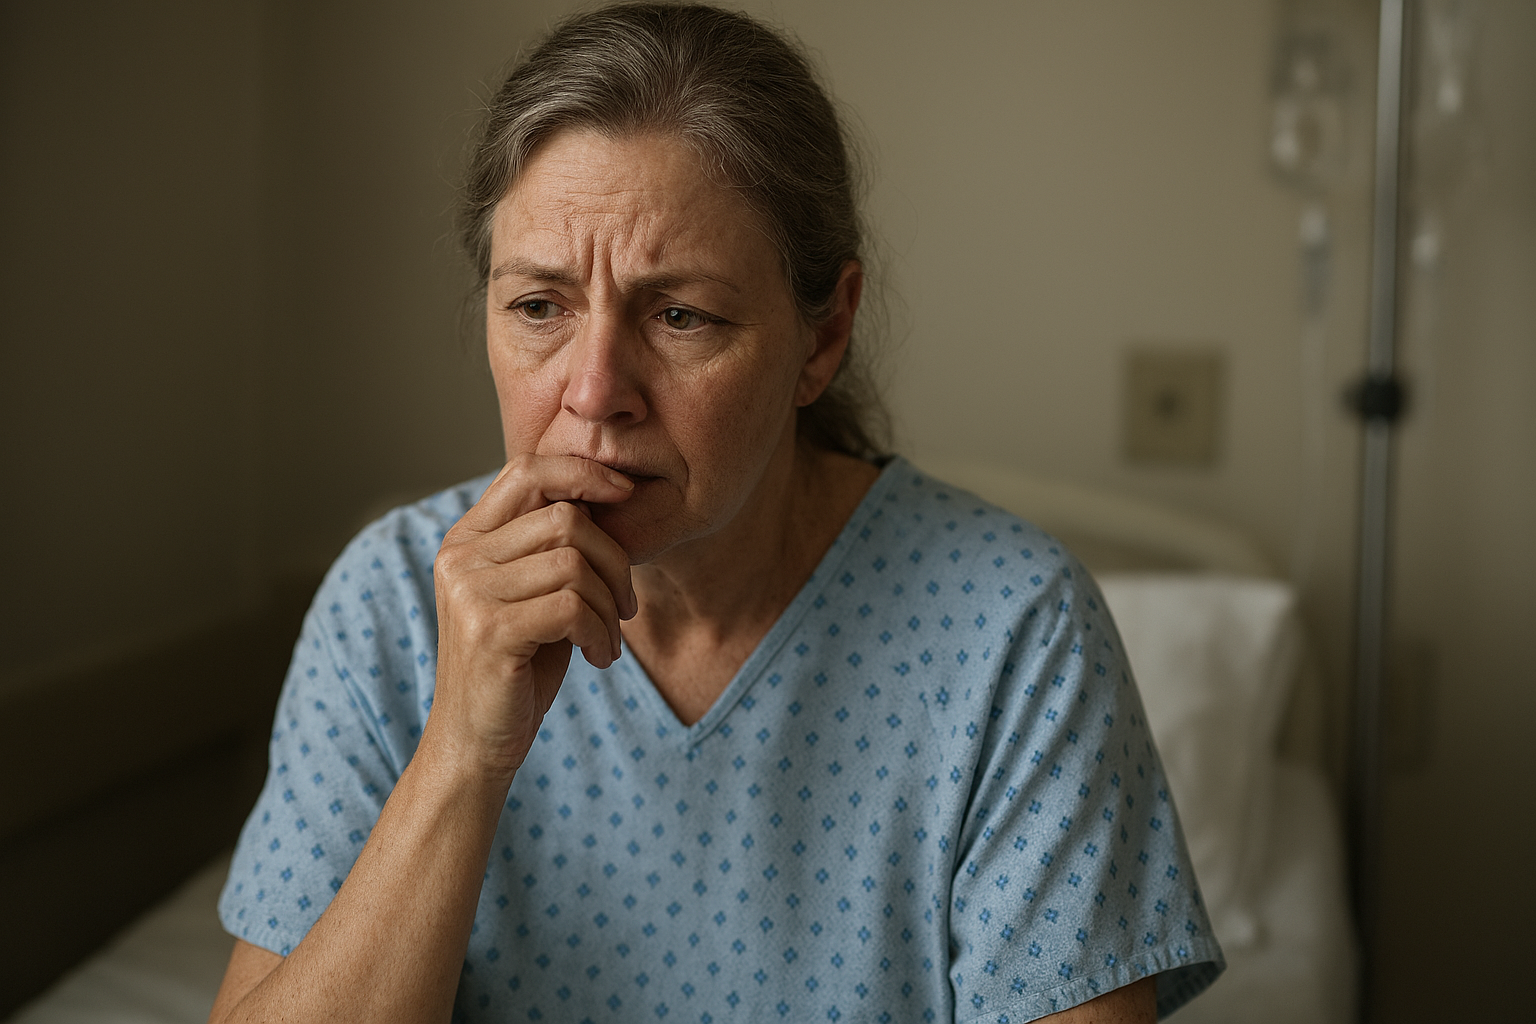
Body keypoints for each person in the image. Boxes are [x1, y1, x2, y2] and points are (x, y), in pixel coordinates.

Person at [209, 4, 1223, 1022]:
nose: (595, 388)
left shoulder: (1014, 634)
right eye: (539, 307)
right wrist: (462, 756)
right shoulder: (390, 604)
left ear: (821, 339)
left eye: (679, 314)